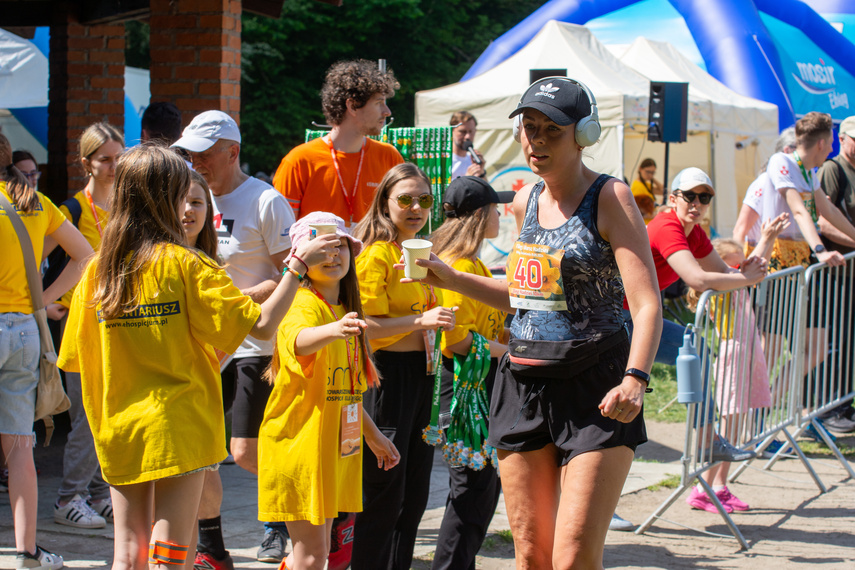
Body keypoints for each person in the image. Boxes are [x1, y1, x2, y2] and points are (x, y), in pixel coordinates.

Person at [401, 77, 663, 569]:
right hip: (522, 383)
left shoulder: (610, 197)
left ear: (583, 135)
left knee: (572, 557)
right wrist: (448, 276)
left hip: (596, 389)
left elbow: (646, 303)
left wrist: (636, 379)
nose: (536, 140)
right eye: (529, 127)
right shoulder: (523, 201)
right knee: (531, 557)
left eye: (551, 131)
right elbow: (525, 298)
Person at [57, 144, 340, 570]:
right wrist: (296, 266)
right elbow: (261, 326)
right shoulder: (187, 265)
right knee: (173, 553)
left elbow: (77, 360)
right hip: (180, 425)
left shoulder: (97, 272)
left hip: (117, 424)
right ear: (164, 198)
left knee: (128, 552)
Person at [172, 110, 297, 566]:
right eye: (189, 154)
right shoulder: (185, 198)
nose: (195, 162)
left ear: (233, 152)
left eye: (204, 154)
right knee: (199, 453)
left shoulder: (265, 201)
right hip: (204, 345)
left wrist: (244, 299)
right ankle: (211, 549)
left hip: (254, 342)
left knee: (244, 452)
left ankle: (291, 519)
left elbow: (294, 272)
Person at [258, 212, 400, 570]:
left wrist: (374, 436)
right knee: (311, 558)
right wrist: (334, 330)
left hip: (334, 449)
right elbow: (298, 341)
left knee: (319, 556)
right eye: (321, 249)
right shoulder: (302, 303)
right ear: (303, 259)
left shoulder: (343, 309)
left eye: (340, 247)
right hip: (300, 447)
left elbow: (347, 392)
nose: (334, 256)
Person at [350, 163, 457, 570]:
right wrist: (420, 322)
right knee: (384, 495)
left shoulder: (419, 252)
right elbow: (363, 330)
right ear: (385, 203)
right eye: (406, 199)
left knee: (412, 499)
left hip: (422, 376)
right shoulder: (377, 253)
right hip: (387, 378)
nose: (416, 208)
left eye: (424, 200)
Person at [1, 132, 93, 570]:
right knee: (21, 446)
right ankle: (27, 552)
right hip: (22, 330)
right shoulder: (33, 200)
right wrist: (38, 300)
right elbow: (85, 255)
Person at [428, 176, 510, 570]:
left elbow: (484, 326)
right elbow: (454, 340)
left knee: (478, 494)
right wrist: (509, 352)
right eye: (495, 209)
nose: (501, 215)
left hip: (480, 388)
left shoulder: (472, 263)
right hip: (463, 391)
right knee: (472, 495)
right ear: (480, 215)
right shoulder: (458, 266)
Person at [48, 122, 124, 531]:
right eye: (105, 160)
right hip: (80, 322)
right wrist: (50, 303)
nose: (114, 167)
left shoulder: (129, 204)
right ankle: (68, 497)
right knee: (87, 416)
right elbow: (41, 259)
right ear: (86, 163)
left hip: (118, 322)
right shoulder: (71, 209)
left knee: (108, 411)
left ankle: (97, 492)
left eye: (118, 158)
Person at [683, 218, 787, 514]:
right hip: (733, 359)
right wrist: (765, 238)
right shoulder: (721, 290)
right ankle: (708, 488)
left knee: (735, 428)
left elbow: (757, 265)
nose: (742, 271)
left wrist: (767, 238)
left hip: (746, 356)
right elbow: (753, 269)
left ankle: (716, 486)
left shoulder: (735, 285)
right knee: (728, 429)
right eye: (735, 267)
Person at [272, 59, 404, 225]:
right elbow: (282, 235)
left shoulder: (389, 157)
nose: (387, 112)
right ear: (353, 106)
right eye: (379, 103)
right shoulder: (298, 161)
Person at [814, 114, 855, 434]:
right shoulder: (833, 169)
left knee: (849, 339)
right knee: (836, 340)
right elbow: (823, 221)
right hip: (835, 274)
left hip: (849, 270)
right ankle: (829, 406)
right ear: (844, 139)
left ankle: (844, 402)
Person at [449, 111, 486, 179]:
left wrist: (482, 173)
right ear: (452, 131)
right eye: (462, 131)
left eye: (471, 131)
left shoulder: (473, 160)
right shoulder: (444, 160)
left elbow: (486, 189)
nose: (467, 136)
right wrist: (466, 180)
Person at [630, 158, 662, 224]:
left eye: (653, 172)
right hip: (644, 224)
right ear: (640, 169)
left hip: (648, 223)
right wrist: (659, 214)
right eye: (648, 172)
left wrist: (653, 178)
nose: (650, 175)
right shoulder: (637, 186)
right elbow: (640, 212)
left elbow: (663, 191)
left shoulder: (646, 185)